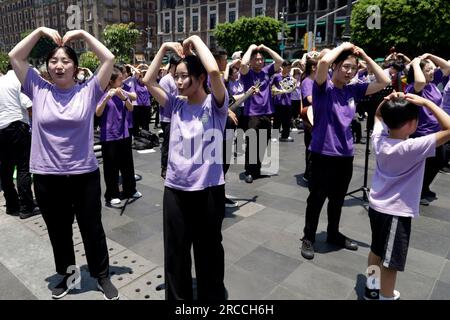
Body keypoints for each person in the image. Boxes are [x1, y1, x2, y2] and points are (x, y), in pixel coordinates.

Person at [9, 27, 118, 300]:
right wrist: (40, 32)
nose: (59, 66)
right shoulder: (38, 87)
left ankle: (102, 275)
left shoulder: (89, 91)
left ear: (75, 67)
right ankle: (68, 276)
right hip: (47, 176)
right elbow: (15, 56)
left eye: (66, 61)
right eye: (54, 61)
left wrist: (82, 33)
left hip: (84, 175)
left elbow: (108, 59)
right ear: (47, 67)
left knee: (91, 228)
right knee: (59, 231)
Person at [143, 35, 228, 300]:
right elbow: (147, 81)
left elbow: (214, 69)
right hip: (176, 191)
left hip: (209, 190)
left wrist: (193, 40)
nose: (178, 82)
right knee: (176, 252)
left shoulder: (215, 105)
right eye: (175, 76)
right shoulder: (175, 104)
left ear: (200, 78)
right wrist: (164, 48)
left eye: (184, 76)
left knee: (209, 253)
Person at [300, 42, 390, 260]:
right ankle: (308, 237)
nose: (350, 71)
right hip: (322, 153)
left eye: (353, 68)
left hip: (345, 154)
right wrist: (344, 47)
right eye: (345, 67)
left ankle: (333, 233)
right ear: (336, 66)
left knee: (338, 199)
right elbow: (322, 62)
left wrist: (366, 56)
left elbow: (385, 81)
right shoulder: (323, 87)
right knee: (317, 198)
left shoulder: (353, 89)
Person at [366, 91, 450, 300]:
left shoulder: (379, 139)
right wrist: (427, 102)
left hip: (376, 207)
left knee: (376, 250)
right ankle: (386, 296)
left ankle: (372, 288)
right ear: (412, 124)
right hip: (395, 212)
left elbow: (377, 116)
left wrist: (387, 101)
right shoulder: (413, 147)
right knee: (390, 262)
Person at [406, 54, 450, 205]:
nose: (433, 71)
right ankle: (417, 190)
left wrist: (430, 56)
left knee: (440, 160)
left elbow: (447, 67)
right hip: (421, 133)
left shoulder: (433, 84)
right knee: (423, 165)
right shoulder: (413, 87)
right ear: (419, 71)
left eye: (433, 69)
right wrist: (416, 63)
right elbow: (419, 80)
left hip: (437, 131)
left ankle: (423, 187)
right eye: (428, 69)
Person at [96, 67, 142, 208]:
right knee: (111, 167)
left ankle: (130, 190)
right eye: (120, 79)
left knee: (127, 165)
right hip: (109, 136)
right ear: (111, 81)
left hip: (123, 133)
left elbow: (130, 108)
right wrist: (107, 98)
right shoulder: (102, 93)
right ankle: (112, 194)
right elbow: (98, 113)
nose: (122, 81)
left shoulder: (122, 92)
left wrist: (124, 97)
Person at [0, 64, 40, 219]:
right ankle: (26, 207)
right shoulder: (18, 80)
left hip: (1, 129)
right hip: (17, 126)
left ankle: (11, 204)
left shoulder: (2, 80)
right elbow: (28, 105)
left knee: (6, 169)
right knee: (23, 167)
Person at [240, 44, 283, 183]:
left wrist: (266, 48)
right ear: (251, 61)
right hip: (252, 113)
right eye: (256, 59)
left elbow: (279, 61)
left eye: (261, 59)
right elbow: (242, 63)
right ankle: (249, 171)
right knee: (252, 142)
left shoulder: (266, 71)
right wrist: (251, 49)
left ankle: (256, 169)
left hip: (267, 112)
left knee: (263, 142)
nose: (260, 61)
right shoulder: (247, 73)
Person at [158, 55, 181, 179]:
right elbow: (164, 101)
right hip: (167, 118)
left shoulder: (178, 78)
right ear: (172, 66)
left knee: (177, 143)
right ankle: (164, 168)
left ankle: (174, 166)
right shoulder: (166, 80)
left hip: (178, 116)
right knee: (167, 144)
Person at [272, 60, 296, 142]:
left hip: (288, 101)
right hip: (278, 101)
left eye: (290, 68)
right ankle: (274, 136)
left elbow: (292, 88)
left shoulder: (290, 77)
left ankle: (285, 136)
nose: (289, 69)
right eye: (288, 67)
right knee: (277, 119)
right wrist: (275, 90)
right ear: (283, 67)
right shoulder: (276, 76)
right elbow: (271, 86)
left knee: (287, 120)